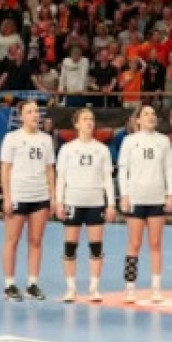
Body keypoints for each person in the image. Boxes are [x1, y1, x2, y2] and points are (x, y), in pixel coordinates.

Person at [55, 109, 117, 302]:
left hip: (95, 202)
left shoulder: (102, 150)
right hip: (73, 201)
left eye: (92, 119)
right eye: (85, 119)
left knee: (96, 247)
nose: (89, 122)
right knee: (70, 246)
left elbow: (107, 179)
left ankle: (94, 288)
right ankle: (71, 288)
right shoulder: (67, 149)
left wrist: (111, 204)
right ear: (77, 124)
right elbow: (61, 178)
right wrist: (59, 202)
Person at [117, 105, 172, 303]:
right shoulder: (129, 141)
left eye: (153, 114)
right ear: (138, 120)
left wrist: (170, 194)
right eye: (146, 114)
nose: (151, 117)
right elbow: (123, 170)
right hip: (136, 197)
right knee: (134, 243)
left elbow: (168, 169)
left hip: (156, 197)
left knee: (156, 243)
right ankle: (130, 287)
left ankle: (156, 288)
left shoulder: (163, 141)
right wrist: (124, 195)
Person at [0, 100, 56, 301]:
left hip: (40, 195)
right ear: (21, 116)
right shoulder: (12, 138)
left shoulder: (46, 139)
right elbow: (5, 169)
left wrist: (53, 197)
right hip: (18, 194)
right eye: (29, 112)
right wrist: (7, 197)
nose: (34, 115)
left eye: (36, 111)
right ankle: (9, 285)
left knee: (36, 240)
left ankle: (32, 284)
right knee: (12, 240)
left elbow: (50, 170)